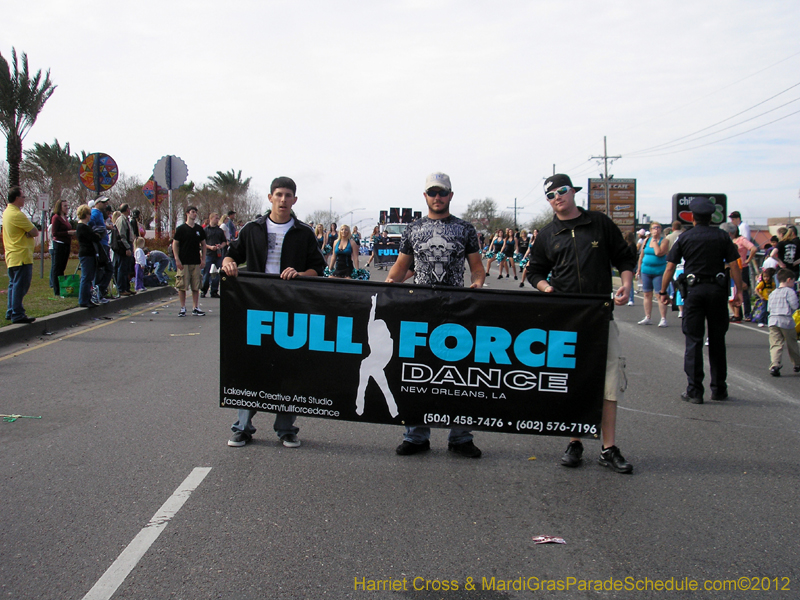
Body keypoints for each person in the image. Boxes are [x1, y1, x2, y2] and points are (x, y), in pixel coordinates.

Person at [527, 174, 635, 474]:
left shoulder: (599, 223)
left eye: (561, 191)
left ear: (573, 192)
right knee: (574, 382)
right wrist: (548, 290)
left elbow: (625, 258)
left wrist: (626, 285)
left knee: (608, 384)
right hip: (567, 319)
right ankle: (575, 441)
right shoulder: (548, 234)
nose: (557, 197)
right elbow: (535, 271)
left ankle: (608, 447)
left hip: (600, 315)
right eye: (550, 195)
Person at [386, 172, 486, 459]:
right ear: (425, 196)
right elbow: (400, 267)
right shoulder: (413, 229)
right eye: (432, 192)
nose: (437, 197)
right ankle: (416, 436)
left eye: (442, 192)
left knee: (459, 375)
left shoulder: (465, 229)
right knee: (416, 373)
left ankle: (461, 437)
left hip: (456, 310)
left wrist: (477, 283)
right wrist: (388, 289)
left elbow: (477, 267)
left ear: (451, 196)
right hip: (419, 310)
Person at [223, 176, 326, 448]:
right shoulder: (252, 228)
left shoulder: (304, 233)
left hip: (290, 310)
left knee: (288, 369)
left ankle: (286, 428)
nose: (283, 199)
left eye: (288, 195)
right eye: (278, 194)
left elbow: (319, 268)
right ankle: (242, 428)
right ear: (270, 198)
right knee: (250, 366)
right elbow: (232, 254)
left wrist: (301, 273)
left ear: (294, 199)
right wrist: (229, 263)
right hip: (255, 308)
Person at [659, 197, 743, 403]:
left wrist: (663, 291)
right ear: (711, 217)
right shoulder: (722, 236)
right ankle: (719, 389)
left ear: (693, 217)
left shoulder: (686, 238)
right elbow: (734, 264)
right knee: (717, 341)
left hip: (694, 292)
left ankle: (695, 390)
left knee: (693, 342)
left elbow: (670, 266)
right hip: (717, 291)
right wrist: (738, 291)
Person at [3, 187, 39, 323]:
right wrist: (28, 233)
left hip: (12, 255)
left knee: (13, 284)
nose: (24, 199)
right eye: (23, 197)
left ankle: (11, 311)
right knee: (21, 285)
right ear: (17, 198)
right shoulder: (17, 215)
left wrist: (26, 233)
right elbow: (34, 231)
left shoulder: (7, 213)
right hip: (21, 256)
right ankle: (17, 313)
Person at [172, 206, 206, 317]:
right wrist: (177, 259)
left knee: (196, 285)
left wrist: (203, 259)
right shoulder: (181, 229)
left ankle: (195, 307)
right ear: (187, 213)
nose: (194, 214)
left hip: (195, 261)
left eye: (196, 212)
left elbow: (203, 244)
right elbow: (175, 244)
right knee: (182, 285)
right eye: (192, 212)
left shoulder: (199, 229)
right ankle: (182, 308)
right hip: (183, 261)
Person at [767, 269, 800, 376]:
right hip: (786, 320)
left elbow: (769, 308)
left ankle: (775, 365)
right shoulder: (790, 291)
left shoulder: (773, 293)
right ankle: (797, 363)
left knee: (775, 343)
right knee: (791, 343)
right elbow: (795, 306)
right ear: (789, 279)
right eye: (793, 281)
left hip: (772, 320)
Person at [636, 221, 669, 327]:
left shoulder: (664, 241)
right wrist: (639, 269)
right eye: (654, 228)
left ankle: (663, 318)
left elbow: (658, 253)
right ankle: (648, 317)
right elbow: (642, 255)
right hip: (646, 270)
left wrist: (654, 241)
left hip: (659, 271)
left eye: (658, 228)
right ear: (650, 230)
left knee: (659, 295)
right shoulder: (646, 240)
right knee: (646, 294)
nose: (657, 230)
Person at [723, 221, 757, 322]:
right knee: (733, 291)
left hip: (741, 266)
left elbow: (753, 248)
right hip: (731, 267)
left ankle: (747, 314)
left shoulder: (741, 240)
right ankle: (737, 313)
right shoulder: (729, 241)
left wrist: (748, 259)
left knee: (742, 289)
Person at [75, 204, 101, 308]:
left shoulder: (85, 227)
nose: (90, 216)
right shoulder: (82, 227)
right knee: (86, 277)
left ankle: (88, 298)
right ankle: (83, 299)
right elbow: (94, 237)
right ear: (85, 215)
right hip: (86, 254)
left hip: (89, 253)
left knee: (89, 277)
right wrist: (96, 235)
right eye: (89, 214)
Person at [89, 196, 113, 303]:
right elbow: (90, 225)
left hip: (104, 243)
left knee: (105, 269)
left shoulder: (99, 214)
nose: (105, 205)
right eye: (103, 203)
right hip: (100, 245)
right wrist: (98, 232)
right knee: (104, 268)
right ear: (97, 203)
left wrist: (106, 227)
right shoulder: (95, 213)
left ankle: (100, 291)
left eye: (106, 203)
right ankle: (98, 291)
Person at [50, 198, 75, 297]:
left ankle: (61, 287)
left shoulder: (65, 218)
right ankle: (56, 290)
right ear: (60, 207)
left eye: (67, 206)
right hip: (59, 244)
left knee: (63, 267)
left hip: (66, 244)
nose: (67, 208)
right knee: (57, 267)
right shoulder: (56, 218)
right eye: (65, 206)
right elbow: (54, 233)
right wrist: (67, 233)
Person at [201, 212, 227, 298]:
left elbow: (224, 241)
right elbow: (202, 242)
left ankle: (214, 291)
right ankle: (203, 290)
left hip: (218, 254)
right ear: (211, 218)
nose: (217, 220)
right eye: (216, 218)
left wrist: (221, 246)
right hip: (208, 254)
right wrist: (209, 247)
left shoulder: (219, 231)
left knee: (216, 273)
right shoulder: (205, 230)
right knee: (207, 273)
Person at [115, 203, 136, 296]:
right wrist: (127, 247)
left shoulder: (127, 220)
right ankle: (121, 288)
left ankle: (126, 287)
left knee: (127, 268)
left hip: (129, 244)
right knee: (122, 268)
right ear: (126, 209)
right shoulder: (121, 220)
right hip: (123, 246)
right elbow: (121, 236)